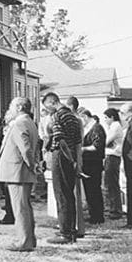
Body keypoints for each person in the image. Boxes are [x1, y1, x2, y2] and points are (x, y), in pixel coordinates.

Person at [0, 97, 39, 252]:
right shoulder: (28, 122)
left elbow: (26, 149)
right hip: (19, 172)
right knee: (24, 206)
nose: (10, 108)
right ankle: (29, 239)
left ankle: (23, 241)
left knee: (20, 208)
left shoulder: (20, 123)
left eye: (11, 105)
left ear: (20, 107)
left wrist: (31, 165)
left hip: (18, 172)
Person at [43, 92, 83, 244]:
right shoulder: (73, 117)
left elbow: (60, 140)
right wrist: (77, 162)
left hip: (61, 155)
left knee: (61, 193)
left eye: (47, 107)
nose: (47, 110)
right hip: (71, 154)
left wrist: (69, 158)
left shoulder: (57, 116)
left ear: (52, 102)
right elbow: (78, 141)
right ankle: (71, 229)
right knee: (69, 193)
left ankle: (65, 233)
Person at [78, 107, 106, 224]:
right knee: (90, 190)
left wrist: (83, 149)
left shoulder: (96, 128)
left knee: (94, 190)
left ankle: (97, 216)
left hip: (94, 164)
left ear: (85, 117)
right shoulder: (91, 128)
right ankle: (94, 214)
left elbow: (97, 146)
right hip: (89, 163)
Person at [102, 108, 124, 219]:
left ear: (112, 117)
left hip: (113, 156)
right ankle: (114, 209)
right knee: (111, 184)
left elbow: (105, 142)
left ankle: (115, 210)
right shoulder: (113, 126)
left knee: (111, 184)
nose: (105, 120)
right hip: (112, 155)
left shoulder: (115, 126)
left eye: (106, 117)